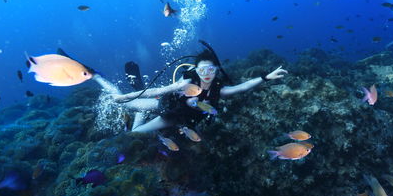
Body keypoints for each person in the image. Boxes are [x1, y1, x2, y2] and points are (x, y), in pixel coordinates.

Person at [94, 49, 288, 133]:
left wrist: (265, 78)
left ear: (217, 71)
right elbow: (160, 90)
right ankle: (96, 76)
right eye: (202, 70)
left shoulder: (218, 90)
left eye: (211, 70)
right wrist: (124, 97)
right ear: (196, 70)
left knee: (135, 131)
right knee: (130, 117)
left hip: (179, 121)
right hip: (164, 109)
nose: (206, 74)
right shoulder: (186, 81)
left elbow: (241, 88)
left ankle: (139, 111)